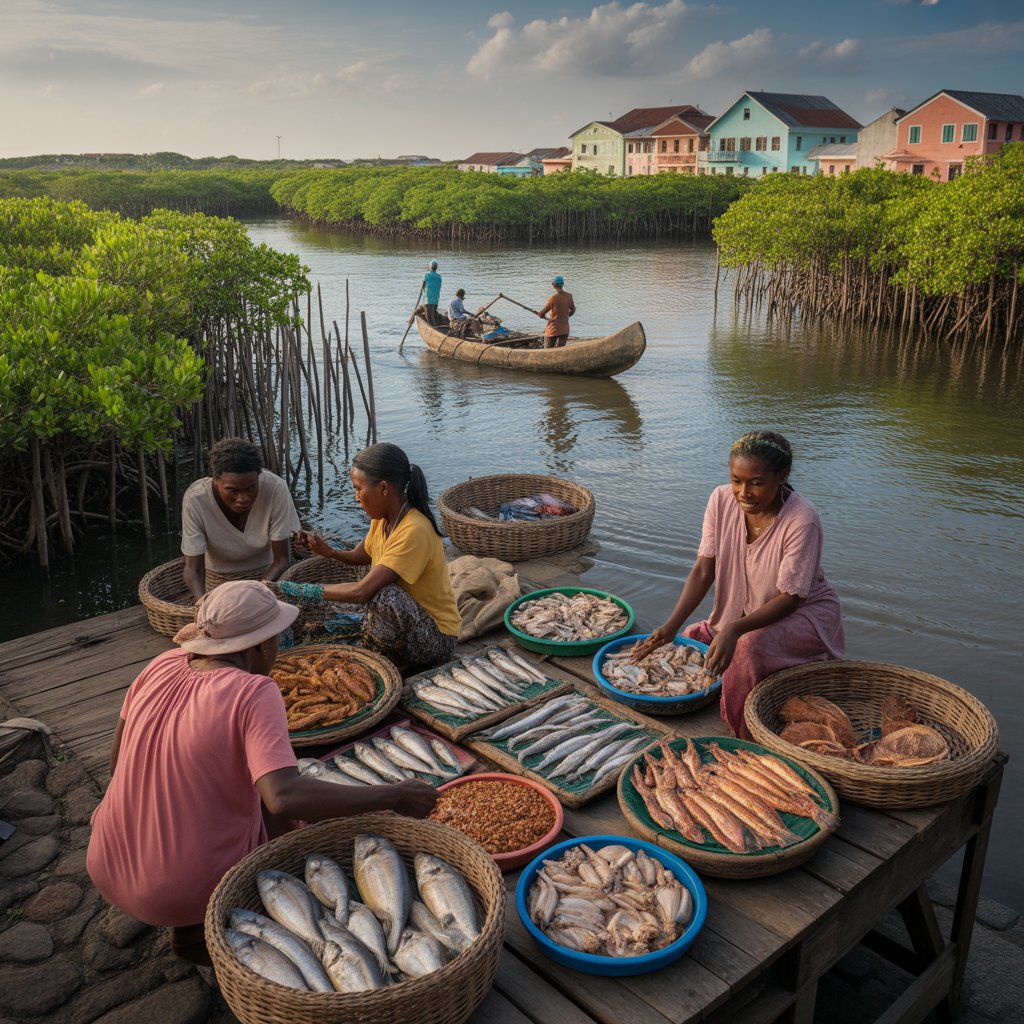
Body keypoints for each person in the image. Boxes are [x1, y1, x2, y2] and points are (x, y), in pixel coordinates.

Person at [87, 581, 436, 966]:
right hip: (175, 888)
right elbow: (283, 796)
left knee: (262, 796)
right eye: (275, 639)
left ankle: (192, 916)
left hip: (108, 858)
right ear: (257, 647)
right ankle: (207, 928)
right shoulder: (254, 691)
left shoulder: (161, 664)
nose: (278, 648)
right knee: (284, 808)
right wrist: (393, 795)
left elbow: (116, 762)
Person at [631, 431, 844, 739]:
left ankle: (743, 735)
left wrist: (734, 629)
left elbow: (790, 598)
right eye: (736, 481)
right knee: (691, 638)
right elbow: (704, 571)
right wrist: (670, 627)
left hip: (805, 615)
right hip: (748, 609)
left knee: (745, 647)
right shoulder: (720, 500)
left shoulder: (802, 519)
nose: (744, 493)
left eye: (756, 483)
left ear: (781, 476)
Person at [284, 443, 461, 669]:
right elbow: (363, 554)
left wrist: (301, 590)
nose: (356, 497)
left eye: (358, 488)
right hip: (404, 621)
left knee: (386, 596)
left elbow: (361, 592)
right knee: (321, 612)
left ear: (384, 488)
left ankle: (377, 660)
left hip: (435, 636)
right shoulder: (383, 518)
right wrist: (329, 552)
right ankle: (376, 647)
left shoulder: (414, 530)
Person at [180, 438, 300, 601]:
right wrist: (203, 604)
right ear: (215, 480)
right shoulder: (196, 500)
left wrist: (257, 592)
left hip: (268, 575)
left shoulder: (276, 488)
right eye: (232, 491)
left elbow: (282, 560)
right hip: (218, 579)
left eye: (251, 488)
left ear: (259, 476)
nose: (243, 498)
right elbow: (193, 569)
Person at [537, 275, 575, 349]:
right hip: (565, 329)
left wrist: (540, 315)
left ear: (553, 285)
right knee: (560, 350)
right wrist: (567, 316)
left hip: (553, 330)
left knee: (547, 350)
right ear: (562, 285)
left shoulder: (553, 298)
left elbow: (541, 313)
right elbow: (573, 310)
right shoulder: (569, 296)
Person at [422, 259, 442, 326]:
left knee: (430, 321)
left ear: (430, 267)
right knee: (432, 317)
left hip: (428, 301)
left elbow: (423, 286)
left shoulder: (426, 275)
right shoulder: (439, 276)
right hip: (436, 300)